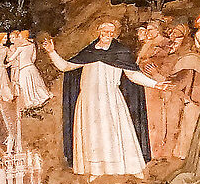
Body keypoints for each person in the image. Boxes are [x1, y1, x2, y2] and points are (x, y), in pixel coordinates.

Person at [45, 21, 161, 175]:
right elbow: (65, 67)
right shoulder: (89, 53)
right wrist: (51, 52)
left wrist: (155, 84)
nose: (108, 34)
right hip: (89, 100)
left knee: (114, 134)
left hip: (110, 99)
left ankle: (129, 169)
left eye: (111, 32)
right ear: (98, 32)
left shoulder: (120, 52)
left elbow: (133, 75)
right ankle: (95, 171)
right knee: (93, 135)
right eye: (105, 31)